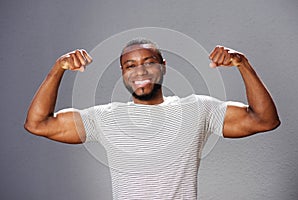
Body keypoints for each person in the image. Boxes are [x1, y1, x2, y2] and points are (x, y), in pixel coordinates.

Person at [24, 39, 280, 199]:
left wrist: (243, 64)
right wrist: (58, 68)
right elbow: (38, 123)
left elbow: (264, 120)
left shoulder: (197, 109)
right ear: (123, 72)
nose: (141, 71)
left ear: (163, 66)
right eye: (130, 65)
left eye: (149, 62)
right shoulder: (105, 118)